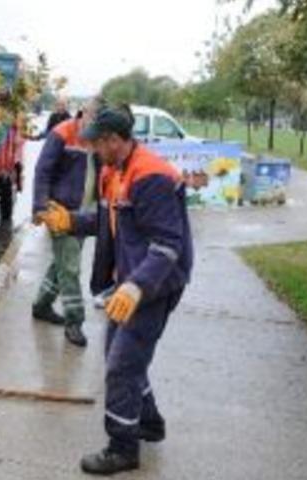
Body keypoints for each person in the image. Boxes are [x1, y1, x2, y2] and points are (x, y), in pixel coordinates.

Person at [40, 107, 193, 475]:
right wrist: (72, 221)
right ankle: (149, 423)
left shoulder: (150, 176)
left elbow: (168, 245)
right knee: (121, 355)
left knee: (122, 365)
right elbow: (111, 222)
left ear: (113, 141)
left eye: (96, 142)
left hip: (154, 285)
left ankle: (122, 448)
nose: (91, 149)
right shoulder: (114, 171)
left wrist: (137, 287)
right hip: (130, 279)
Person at [31, 97, 104, 347]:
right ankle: (75, 321)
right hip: (59, 212)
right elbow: (43, 171)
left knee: (61, 263)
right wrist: (41, 207)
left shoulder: (97, 139)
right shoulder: (62, 133)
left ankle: (41, 306)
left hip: (84, 215)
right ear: (83, 113)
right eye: (92, 119)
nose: (94, 127)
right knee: (70, 267)